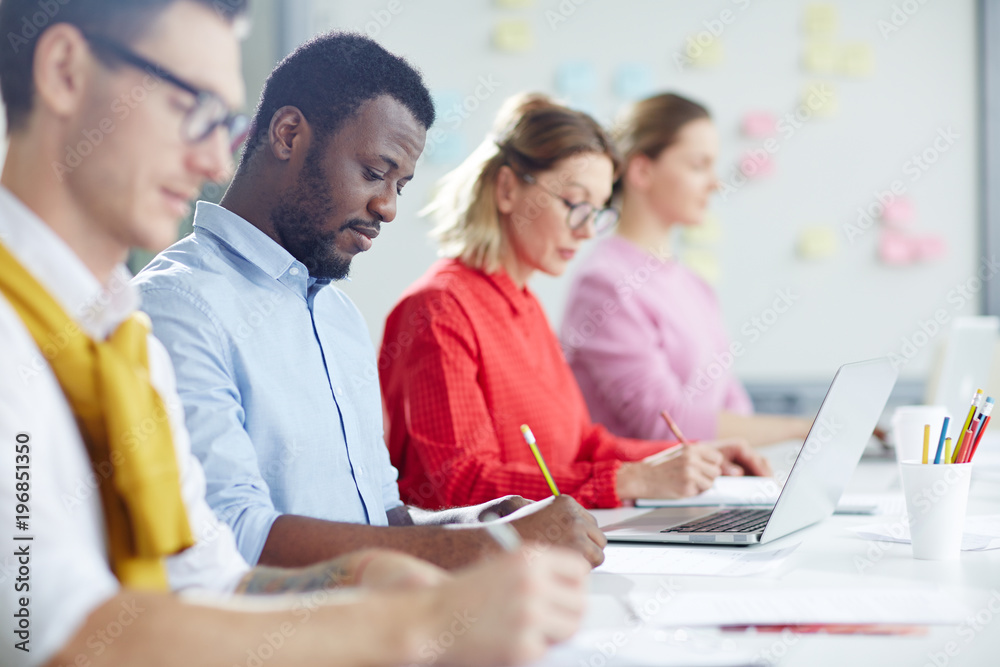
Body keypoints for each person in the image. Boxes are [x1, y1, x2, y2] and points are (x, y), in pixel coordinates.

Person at [0, 3, 588, 666]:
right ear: (64, 72)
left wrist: (369, 576)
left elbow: (213, 581)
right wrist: (416, 622)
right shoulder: (55, 329)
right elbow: (49, 636)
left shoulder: (117, 333)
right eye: (189, 106)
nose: (215, 154)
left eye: (221, 121)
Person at [133, 32, 606, 571]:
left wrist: (481, 520)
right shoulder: (176, 307)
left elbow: (380, 518)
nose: (387, 208)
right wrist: (492, 547)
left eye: (400, 186)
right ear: (289, 135)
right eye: (375, 173)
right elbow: (235, 538)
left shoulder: (337, 316)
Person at [378, 93, 771, 512]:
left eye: (597, 212)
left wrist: (693, 459)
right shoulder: (439, 308)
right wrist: (629, 479)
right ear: (508, 189)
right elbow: (455, 485)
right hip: (482, 567)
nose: (586, 232)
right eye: (575, 205)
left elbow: (580, 443)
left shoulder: (523, 304)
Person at [561, 93, 813, 447]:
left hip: (706, 486)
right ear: (642, 171)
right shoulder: (604, 284)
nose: (715, 183)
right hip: (642, 499)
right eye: (698, 166)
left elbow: (732, 401)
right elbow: (667, 426)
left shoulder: (693, 284)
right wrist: (802, 429)